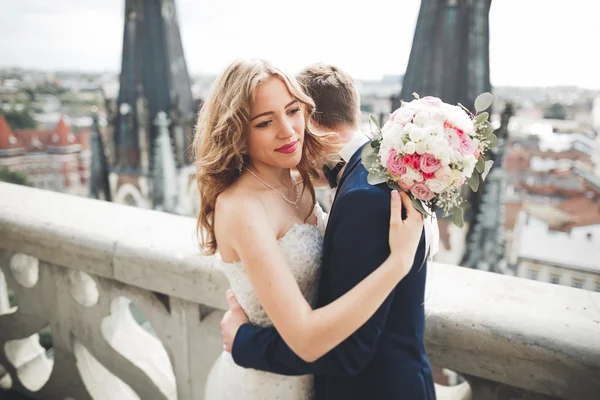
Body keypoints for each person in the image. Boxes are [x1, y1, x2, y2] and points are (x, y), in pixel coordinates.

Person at [193, 59, 424, 400]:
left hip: (313, 380)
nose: (287, 130)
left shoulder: (301, 181)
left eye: (292, 111)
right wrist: (397, 265)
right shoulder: (240, 208)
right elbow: (304, 338)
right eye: (264, 122)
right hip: (268, 386)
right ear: (237, 133)